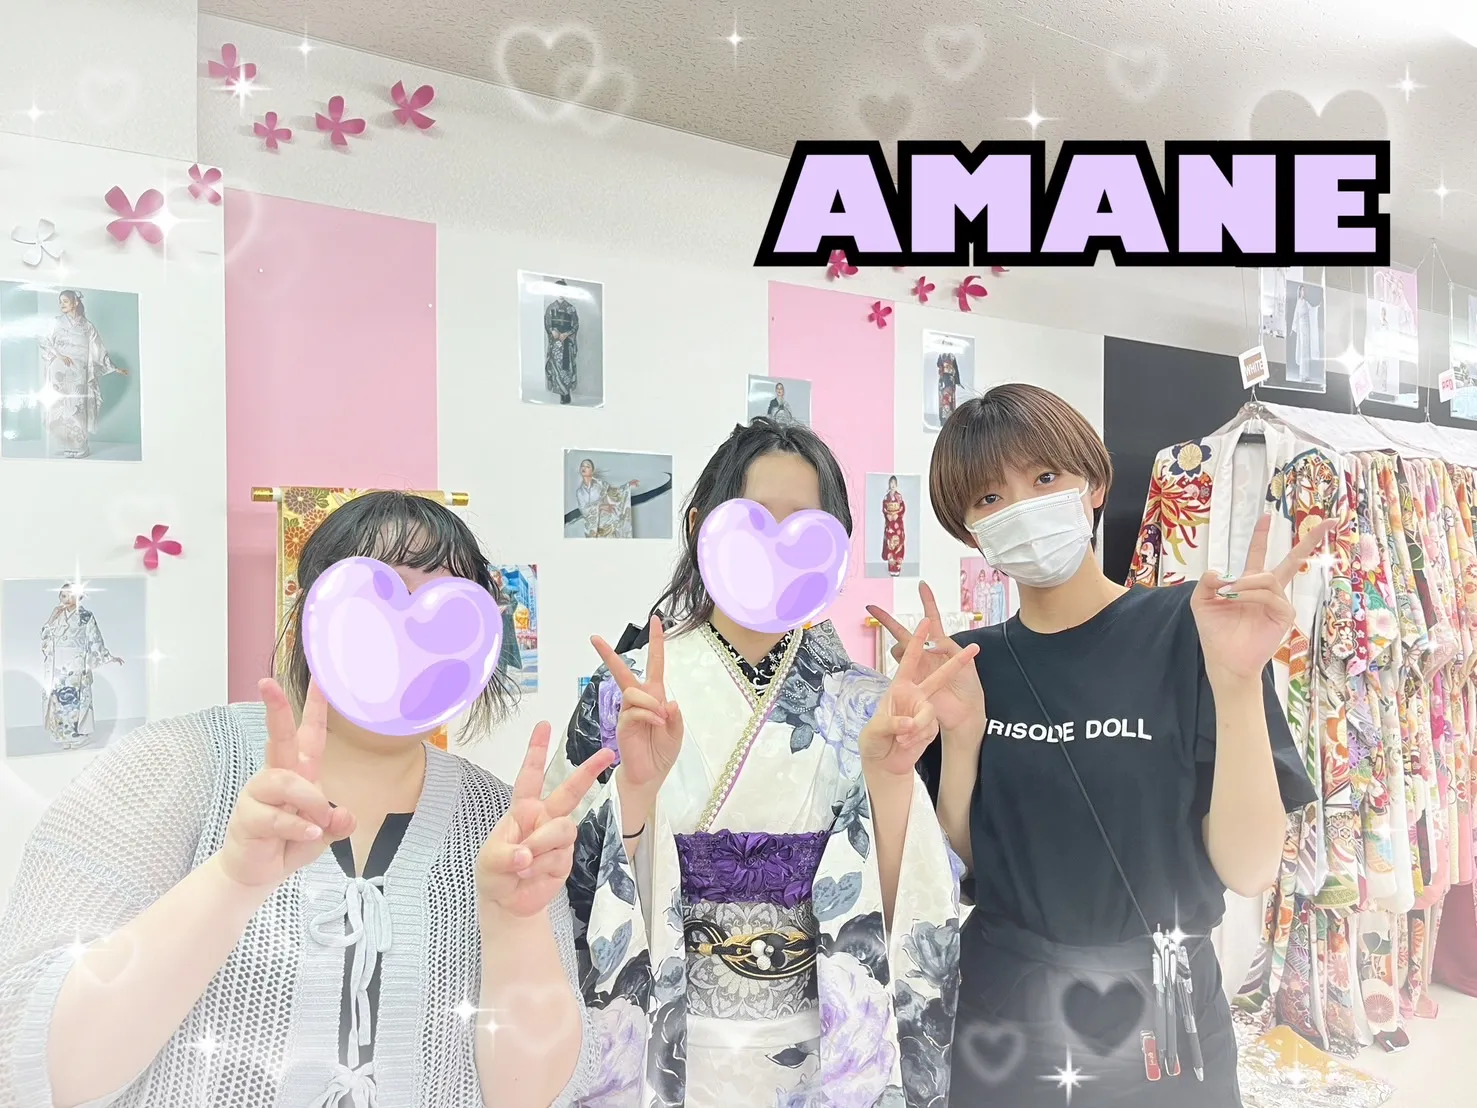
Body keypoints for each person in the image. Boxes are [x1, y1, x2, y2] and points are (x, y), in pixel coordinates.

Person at [0, 491, 610, 1108]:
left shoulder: (500, 824)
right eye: (379, 601)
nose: (410, 639)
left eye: (449, 612)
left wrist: (514, 924)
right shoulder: (170, 765)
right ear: (310, 618)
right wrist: (231, 883)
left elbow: (534, 1096)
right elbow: (37, 1070)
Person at [868, 384, 1321, 1107]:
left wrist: (1238, 684)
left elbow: (1249, 868)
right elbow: (962, 871)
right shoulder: (969, 666)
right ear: (970, 531)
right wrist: (962, 737)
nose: (1021, 507)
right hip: (1003, 1014)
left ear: (1094, 485)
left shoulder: (1193, 630)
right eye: (989, 497)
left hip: (1164, 1017)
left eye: (1045, 477)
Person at [545, 416, 973, 1107]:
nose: (777, 544)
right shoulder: (622, 691)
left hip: (820, 1038)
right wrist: (635, 793)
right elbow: (564, 888)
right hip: (672, 1030)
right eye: (752, 520)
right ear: (699, 528)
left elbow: (914, 901)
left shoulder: (868, 703)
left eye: (805, 526)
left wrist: (891, 780)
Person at [40, 289, 129, 459]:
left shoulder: (87, 326)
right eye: (60, 302)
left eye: (65, 301)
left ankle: (80, 446)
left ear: (75, 302)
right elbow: (44, 341)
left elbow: (98, 350)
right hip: (59, 371)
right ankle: (67, 445)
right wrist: (58, 355)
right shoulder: (55, 322)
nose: (62, 305)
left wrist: (114, 368)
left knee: (78, 407)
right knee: (61, 406)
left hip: (79, 372)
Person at [39, 584, 124, 749]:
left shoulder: (86, 616)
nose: (65, 599)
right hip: (57, 664)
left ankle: (76, 735)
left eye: (69, 595)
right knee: (58, 698)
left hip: (76, 663)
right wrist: (51, 619)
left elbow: (95, 639)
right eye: (62, 595)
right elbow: (45, 639)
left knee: (73, 699)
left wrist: (108, 657)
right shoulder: (57, 615)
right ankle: (62, 735)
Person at [574, 457, 641, 539]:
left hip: (608, 523)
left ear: (592, 471)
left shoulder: (601, 484)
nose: (584, 468)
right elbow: (584, 510)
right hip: (594, 529)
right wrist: (600, 506)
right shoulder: (579, 492)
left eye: (587, 466)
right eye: (582, 466)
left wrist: (628, 485)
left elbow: (615, 493)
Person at [544, 278, 581, 404]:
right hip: (556, 343)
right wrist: (552, 331)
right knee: (556, 368)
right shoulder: (550, 308)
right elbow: (548, 324)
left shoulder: (571, 308)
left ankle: (566, 392)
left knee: (567, 368)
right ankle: (561, 393)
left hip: (567, 342)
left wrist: (566, 334)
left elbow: (575, 325)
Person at [1288, 284, 1317, 384]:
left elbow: (1312, 310)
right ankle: (1302, 374)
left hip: (1307, 328)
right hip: (1301, 328)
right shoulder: (1298, 303)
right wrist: (1293, 328)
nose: (1303, 292)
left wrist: (1317, 307)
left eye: (1304, 290)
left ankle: (1306, 374)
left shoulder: (1306, 302)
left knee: (1306, 351)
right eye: (1302, 290)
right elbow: (1295, 316)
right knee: (1302, 350)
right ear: (1299, 292)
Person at [881, 475, 906, 577]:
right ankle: (891, 567)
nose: (892, 485)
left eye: (894, 483)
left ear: (896, 485)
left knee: (898, 543)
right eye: (891, 483)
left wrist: (897, 515)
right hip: (890, 524)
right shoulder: (886, 497)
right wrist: (888, 515)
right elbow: (884, 508)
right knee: (890, 543)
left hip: (898, 524)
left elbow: (902, 508)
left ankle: (898, 567)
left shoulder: (899, 497)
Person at [936, 353, 961, 425]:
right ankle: (943, 418)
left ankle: (949, 418)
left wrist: (957, 381)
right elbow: (938, 364)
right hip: (944, 379)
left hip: (950, 380)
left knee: (950, 399)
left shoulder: (952, 356)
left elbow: (955, 368)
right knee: (943, 399)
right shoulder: (941, 355)